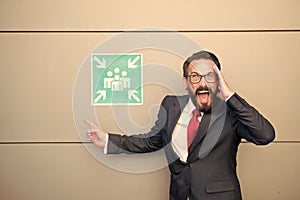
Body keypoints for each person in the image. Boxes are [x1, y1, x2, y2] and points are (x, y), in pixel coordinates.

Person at [85, 50, 275, 200]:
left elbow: (265, 135)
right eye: (195, 76)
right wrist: (109, 140)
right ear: (185, 82)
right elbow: (152, 141)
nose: (202, 83)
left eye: (209, 76)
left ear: (218, 80)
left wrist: (229, 95)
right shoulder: (171, 105)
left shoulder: (231, 112)